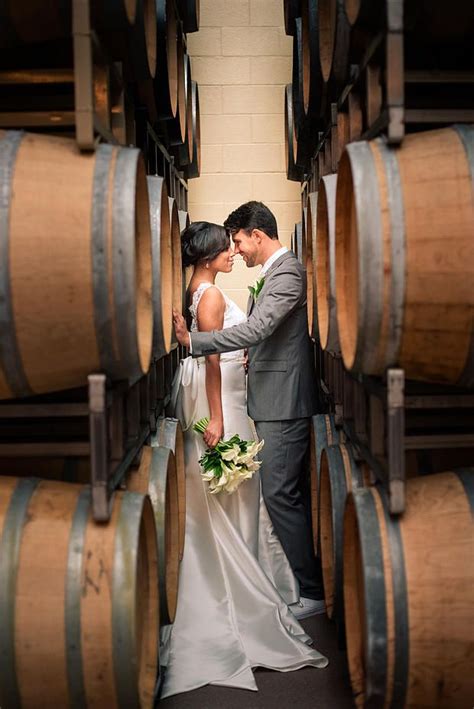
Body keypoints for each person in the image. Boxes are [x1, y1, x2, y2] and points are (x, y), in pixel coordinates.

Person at [160, 221, 328, 698]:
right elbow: (212, 361)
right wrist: (216, 416)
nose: (232, 253)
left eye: (236, 244)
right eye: (226, 248)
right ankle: (249, 592)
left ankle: (250, 583)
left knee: (234, 498)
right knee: (243, 496)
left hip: (234, 396)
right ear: (209, 254)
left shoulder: (199, 289)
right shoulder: (210, 295)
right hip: (225, 404)